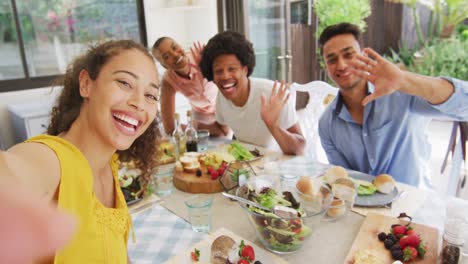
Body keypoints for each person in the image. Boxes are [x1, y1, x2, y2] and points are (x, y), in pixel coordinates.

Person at [0, 40, 160, 263]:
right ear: (86, 84)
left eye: (151, 95)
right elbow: (14, 174)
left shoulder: (109, 164)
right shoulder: (52, 160)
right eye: (124, 83)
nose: (139, 103)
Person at [317, 22, 468, 189]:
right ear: (326, 67)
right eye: (332, 60)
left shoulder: (401, 93)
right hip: (364, 208)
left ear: (363, 54)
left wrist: (405, 80)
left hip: (413, 204)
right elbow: (344, 181)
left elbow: (464, 105)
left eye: (348, 54)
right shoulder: (327, 124)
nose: (342, 65)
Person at [199, 31, 305, 155]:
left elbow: (299, 148)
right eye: (218, 71)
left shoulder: (272, 94)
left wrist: (273, 125)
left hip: (275, 167)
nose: (225, 76)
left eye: (232, 69)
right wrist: (194, 125)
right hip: (245, 165)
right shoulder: (222, 96)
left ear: (245, 70)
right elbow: (222, 128)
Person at [152, 37, 230, 136]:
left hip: (224, 106)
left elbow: (229, 74)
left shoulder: (201, 55)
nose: (175, 55)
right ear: (164, 66)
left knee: (227, 137)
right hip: (201, 114)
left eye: (175, 47)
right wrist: (194, 127)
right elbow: (170, 127)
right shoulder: (168, 81)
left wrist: (209, 65)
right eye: (166, 56)